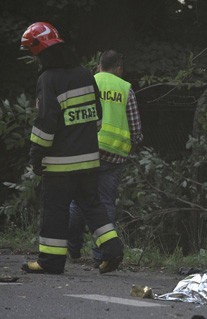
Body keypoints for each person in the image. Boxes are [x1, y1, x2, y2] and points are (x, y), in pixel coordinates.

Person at [19, 22, 123, 274]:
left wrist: (36, 154)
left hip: (60, 164)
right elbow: (97, 117)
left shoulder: (47, 79)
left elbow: (46, 123)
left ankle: (51, 262)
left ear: (40, 50)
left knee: (54, 210)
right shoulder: (84, 74)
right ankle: (113, 251)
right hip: (89, 161)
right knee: (92, 206)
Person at [68, 50, 143, 266]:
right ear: (118, 67)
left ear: (99, 65)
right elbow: (136, 127)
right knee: (106, 203)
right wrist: (132, 145)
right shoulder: (125, 88)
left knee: (77, 202)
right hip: (115, 155)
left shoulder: (88, 82)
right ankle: (101, 255)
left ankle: (72, 249)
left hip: (86, 150)